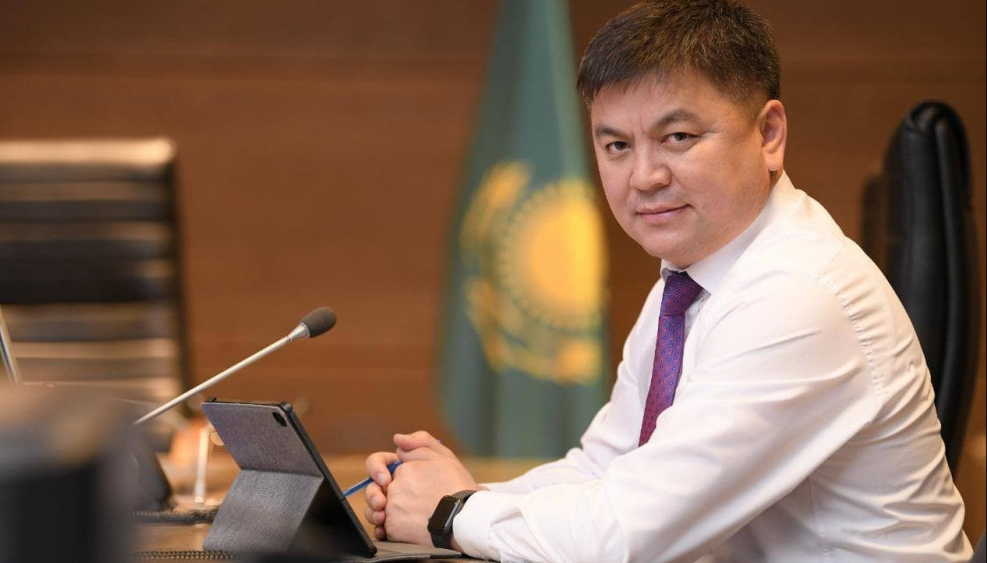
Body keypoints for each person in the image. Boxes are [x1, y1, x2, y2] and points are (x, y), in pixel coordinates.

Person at [363, 0, 973, 560]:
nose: (644, 176)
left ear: (769, 134)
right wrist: (451, 495)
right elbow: (605, 470)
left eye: (677, 137)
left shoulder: (798, 295)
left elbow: (627, 540)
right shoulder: (690, 283)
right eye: (616, 146)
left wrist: (453, 514)